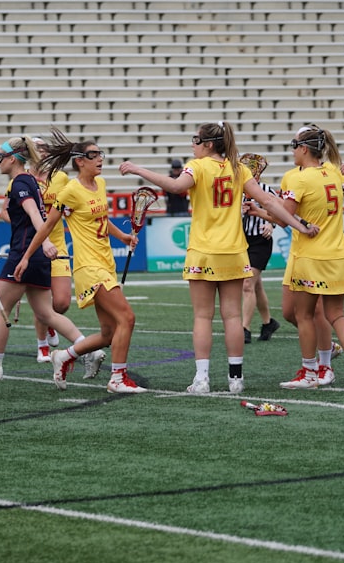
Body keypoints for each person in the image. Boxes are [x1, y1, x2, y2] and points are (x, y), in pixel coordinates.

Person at [119, 121, 318, 395]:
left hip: (203, 251)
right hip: (235, 252)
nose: (193, 144)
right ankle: (235, 379)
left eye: (196, 140)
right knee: (233, 316)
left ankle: (202, 379)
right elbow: (270, 202)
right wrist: (300, 226)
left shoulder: (198, 166)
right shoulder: (239, 168)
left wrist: (139, 169)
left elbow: (176, 186)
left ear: (208, 144)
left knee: (202, 316)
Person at [14, 129, 146, 394]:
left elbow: (100, 219)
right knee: (127, 318)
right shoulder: (70, 190)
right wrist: (27, 256)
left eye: (100, 154)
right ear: (79, 161)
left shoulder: (101, 185)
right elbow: (46, 226)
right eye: (93, 155)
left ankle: (63, 356)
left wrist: (122, 236)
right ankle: (117, 379)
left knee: (108, 334)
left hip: (106, 263)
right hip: (89, 267)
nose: (100, 159)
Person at [0, 137, 100, 382]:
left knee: (1, 311)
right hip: (39, 256)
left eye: (1, 157)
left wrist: (43, 242)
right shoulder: (32, 180)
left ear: (13, 158)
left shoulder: (21, 181)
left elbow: (34, 213)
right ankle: (88, 348)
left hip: (25, 253)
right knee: (46, 313)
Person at [275, 124, 344, 390]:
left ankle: (312, 371)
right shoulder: (333, 171)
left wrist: (261, 210)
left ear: (305, 148)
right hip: (337, 256)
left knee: (305, 315)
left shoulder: (297, 178)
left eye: (294, 146)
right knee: (331, 314)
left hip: (309, 256)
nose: (292, 151)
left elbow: (284, 216)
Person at [240, 155, 280, 345]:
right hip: (241, 240)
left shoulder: (266, 191)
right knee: (256, 285)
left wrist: (271, 226)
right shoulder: (236, 190)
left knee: (247, 284)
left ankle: (244, 328)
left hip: (260, 241)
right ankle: (268, 322)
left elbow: (281, 214)